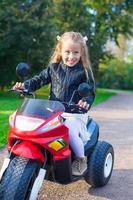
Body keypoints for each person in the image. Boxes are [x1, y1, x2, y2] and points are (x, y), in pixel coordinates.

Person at [13, 31, 95, 176]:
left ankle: (81, 159)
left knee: (69, 130)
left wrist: (85, 101)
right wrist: (24, 86)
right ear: (60, 51)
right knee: (31, 123)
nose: (71, 56)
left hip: (74, 114)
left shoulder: (84, 72)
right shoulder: (53, 68)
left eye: (75, 52)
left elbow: (90, 92)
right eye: (67, 52)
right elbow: (38, 80)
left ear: (81, 52)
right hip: (53, 111)